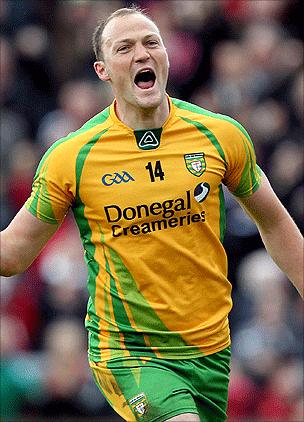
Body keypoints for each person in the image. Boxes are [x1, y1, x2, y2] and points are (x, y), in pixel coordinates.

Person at [1, 6, 303, 422]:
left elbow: (275, 223)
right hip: (129, 350)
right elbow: (12, 255)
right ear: (103, 70)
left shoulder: (219, 135)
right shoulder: (72, 157)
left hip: (209, 348)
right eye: (124, 48)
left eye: (151, 42)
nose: (142, 54)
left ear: (165, 56)